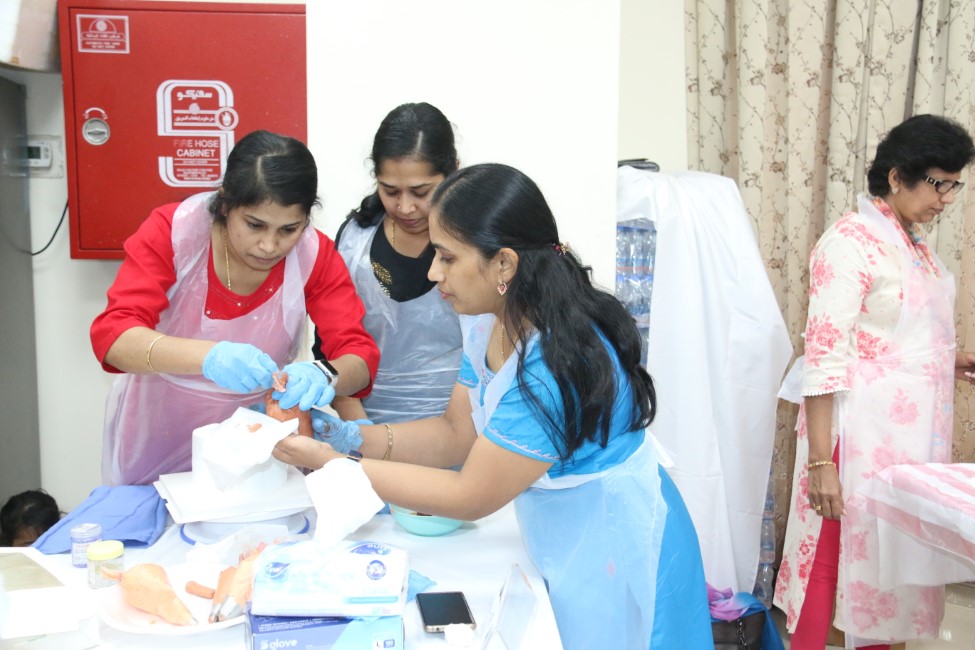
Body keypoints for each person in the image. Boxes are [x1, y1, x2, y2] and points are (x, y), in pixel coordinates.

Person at [274, 163, 714, 648]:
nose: (433, 272)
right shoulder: (488, 322)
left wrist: (335, 466)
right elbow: (456, 434)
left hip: (617, 541)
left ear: (504, 264)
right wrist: (356, 438)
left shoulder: (553, 366)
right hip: (564, 531)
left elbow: (471, 494)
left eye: (446, 257)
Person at [774, 114, 975, 649]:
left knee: (890, 566)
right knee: (831, 561)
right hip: (851, 435)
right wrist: (821, 464)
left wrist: (948, 360)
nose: (946, 199)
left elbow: (891, 335)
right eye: (938, 183)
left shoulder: (913, 244)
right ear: (896, 177)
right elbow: (824, 355)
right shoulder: (850, 242)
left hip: (904, 439)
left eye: (954, 186)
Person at [91, 130, 380, 486]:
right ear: (226, 204)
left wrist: (324, 375)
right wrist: (209, 357)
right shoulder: (174, 233)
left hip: (257, 454)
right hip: (157, 436)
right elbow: (114, 337)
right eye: (255, 225)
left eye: (289, 229)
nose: (269, 245)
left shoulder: (314, 255)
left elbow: (359, 356)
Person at [314, 102, 461, 424]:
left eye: (420, 191)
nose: (405, 207)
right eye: (390, 190)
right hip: (365, 423)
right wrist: (361, 432)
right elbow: (330, 345)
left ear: (453, 171)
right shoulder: (354, 241)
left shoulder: (479, 242)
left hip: (464, 426)